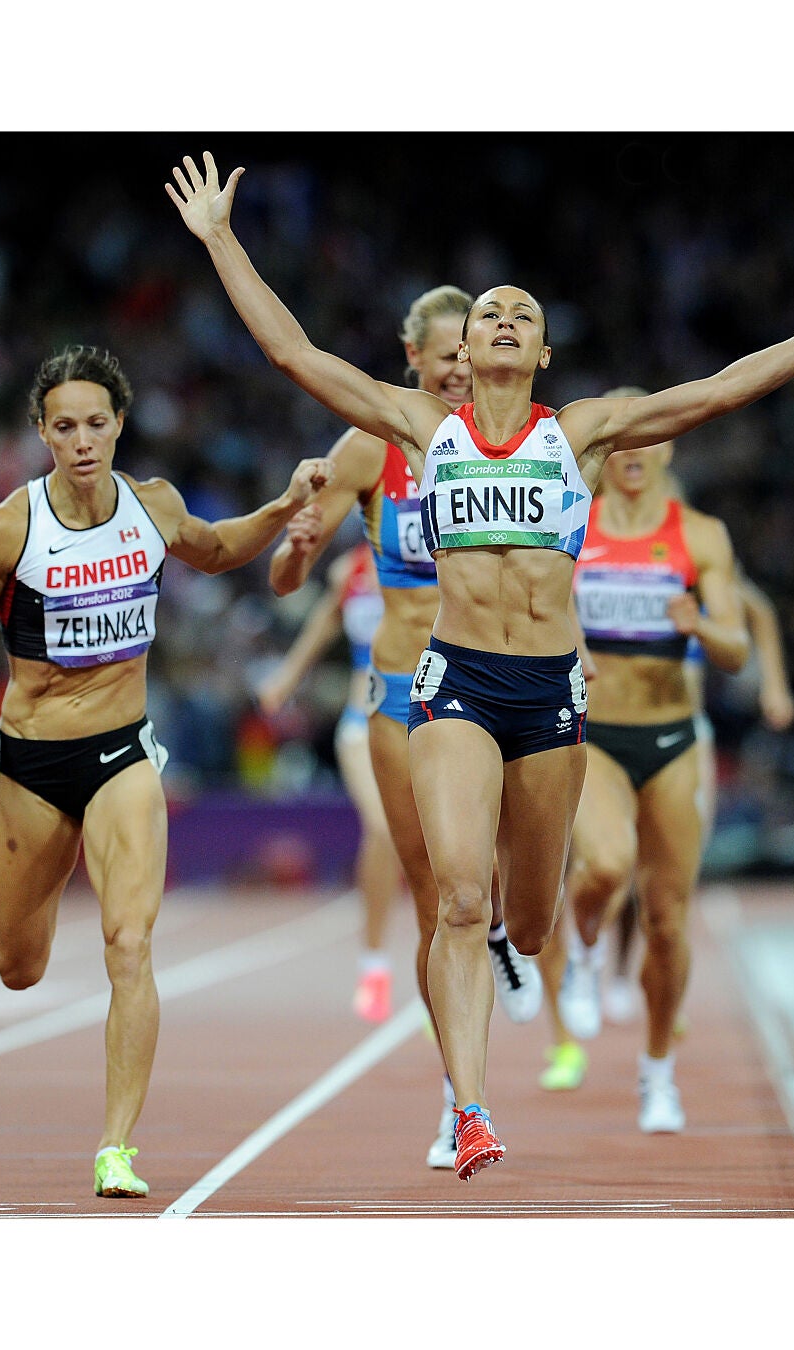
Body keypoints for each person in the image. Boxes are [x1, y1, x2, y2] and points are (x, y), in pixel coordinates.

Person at [166, 149, 794, 1177]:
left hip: (553, 693)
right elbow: (296, 354)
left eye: (522, 312)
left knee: (527, 922)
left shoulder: (578, 433)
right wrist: (221, 238)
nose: (504, 321)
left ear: (545, 349)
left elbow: (714, 393)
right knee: (459, 898)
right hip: (457, 685)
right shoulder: (418, 426)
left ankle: (532, 952)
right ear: (463, 347)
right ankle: (470, 1108)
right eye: (489, 313)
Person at [0, 344, 331, 1199]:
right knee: (19, 967)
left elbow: (220, 548)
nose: (82, 440)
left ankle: (116, 1146)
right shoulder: (10, 526)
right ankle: (46, 868)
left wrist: (286, 504)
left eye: (97, 423)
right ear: (42, 432)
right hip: (33, 766)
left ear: (120, 425)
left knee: (130, 943)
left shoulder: (152, 507)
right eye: (64, 425)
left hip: (121, 755)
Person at [259, 282, 544, 1172]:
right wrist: (298, 547)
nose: (464, 369)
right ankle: (458, 1096)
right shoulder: (374, 445)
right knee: (433, 891)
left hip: (498, 675)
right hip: (399, 688)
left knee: (501, 881)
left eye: (472, 355)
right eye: (449, 357)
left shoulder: (509, 442)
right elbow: (282, 579)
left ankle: (502, 929)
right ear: (414, 360)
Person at [529, 404, 751, 1128]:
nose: (631, 450)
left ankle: (658, 1073)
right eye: (618, 440)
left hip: (674, 741)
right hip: (595, 734)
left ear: (669, 449)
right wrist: (572, 645)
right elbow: (537, 608)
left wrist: (702, 627)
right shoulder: (572, 521)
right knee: (604, 866)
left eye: (646, 439)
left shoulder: (701, 535)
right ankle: (588, 951)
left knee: (669, 920)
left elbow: (736, 649)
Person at [591, 563, 794, 1031]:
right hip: (621, 731)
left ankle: (666, 983)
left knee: (676, 868)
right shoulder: (615, 567)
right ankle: (617, 972)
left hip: (688, 737)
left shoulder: (701, 562)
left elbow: (760, 610)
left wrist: (775, 684)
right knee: (621, 861)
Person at [254, 542, 404, 1022]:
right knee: (383, 831)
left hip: (429, 717)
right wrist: (286, 677)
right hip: (363, 717)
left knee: (437, 851)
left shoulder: (441, 549)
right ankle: (374, 963)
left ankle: (441, 965)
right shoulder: (352, 569)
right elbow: (322, 624)